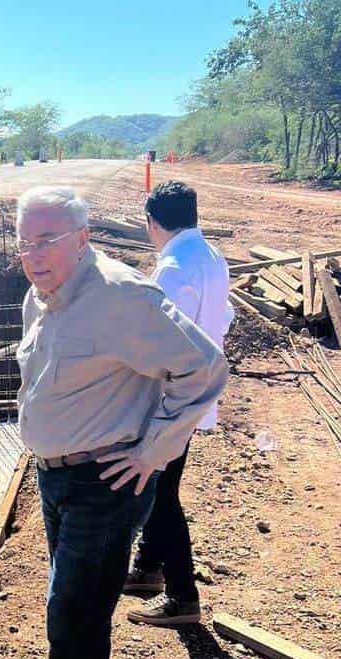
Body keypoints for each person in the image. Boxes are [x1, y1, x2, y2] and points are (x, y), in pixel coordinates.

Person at [7, 186, 228, 659]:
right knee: (79, 603)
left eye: (47, 240)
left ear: (82, 238)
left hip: (103, 479)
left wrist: (154, 450)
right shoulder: (44, 296)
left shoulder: (121, 297)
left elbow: (203, 369)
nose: (32, 253)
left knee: (73, 610)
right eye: (24, 241)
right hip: (57, 476)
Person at [124, 181, 233, 627]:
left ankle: (182, 595)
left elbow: (157, 342)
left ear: (152, 221)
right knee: (162, 485)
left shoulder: (171, 267)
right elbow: (223, 318)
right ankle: (149, 568)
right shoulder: (210, 256)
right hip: (197, 389)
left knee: (160, 494)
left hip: (174, 397)